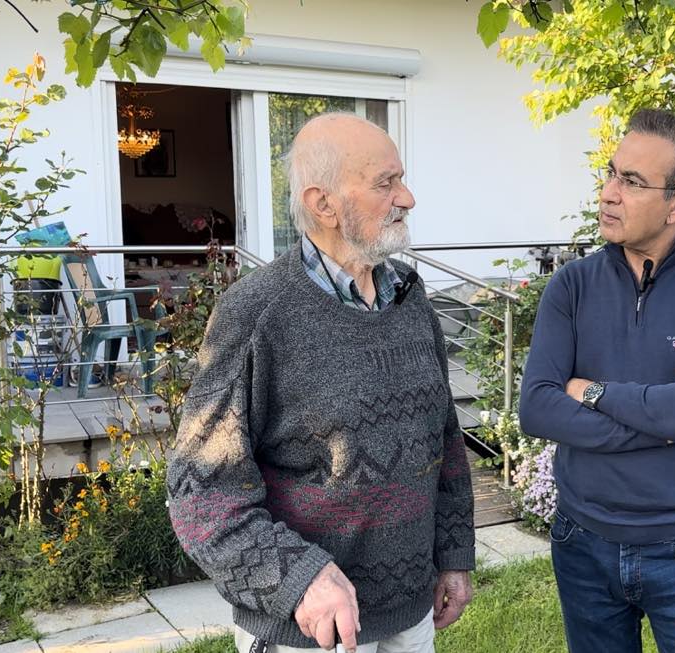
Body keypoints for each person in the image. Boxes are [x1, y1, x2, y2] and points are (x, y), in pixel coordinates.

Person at [167, 113, 475, 653]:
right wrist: (298, 577)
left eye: (401, 179)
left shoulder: (409, 295)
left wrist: (453, 555)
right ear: (323, 204)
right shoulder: (257, 313)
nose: (407, 198)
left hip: (411, 613)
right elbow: (200, 491)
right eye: (385, 183)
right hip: (312, 628)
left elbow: (443, 438)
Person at [519, 108, 675, 652]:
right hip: (582, 541)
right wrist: (667, 424)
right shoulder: (571, 286)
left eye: (631, 181)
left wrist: (592, 391)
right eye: (610, 173)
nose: (608, 193)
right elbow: (537, 408)